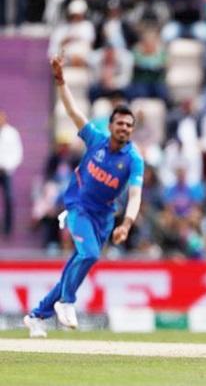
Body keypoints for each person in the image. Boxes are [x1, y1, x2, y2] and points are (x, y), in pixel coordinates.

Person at [23, 55, 144, 338]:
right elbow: (72, 109)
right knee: (88, 254)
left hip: (104, 217)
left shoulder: (134, 160)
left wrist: (126, 224)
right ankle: (67, 301)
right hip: (78, 207)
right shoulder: (95, 139)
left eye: (129, 125)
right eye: (120, 124)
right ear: (111, 125)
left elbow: (135, 195)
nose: (124, 128)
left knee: (78, 264)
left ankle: (37, 316)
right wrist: (60, 80)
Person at [0, 110, 23, 236]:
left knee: (9, 197)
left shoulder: (12, 133)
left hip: (6, 171)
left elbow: (17, 153)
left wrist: (8, 166)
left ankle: (8, 228)